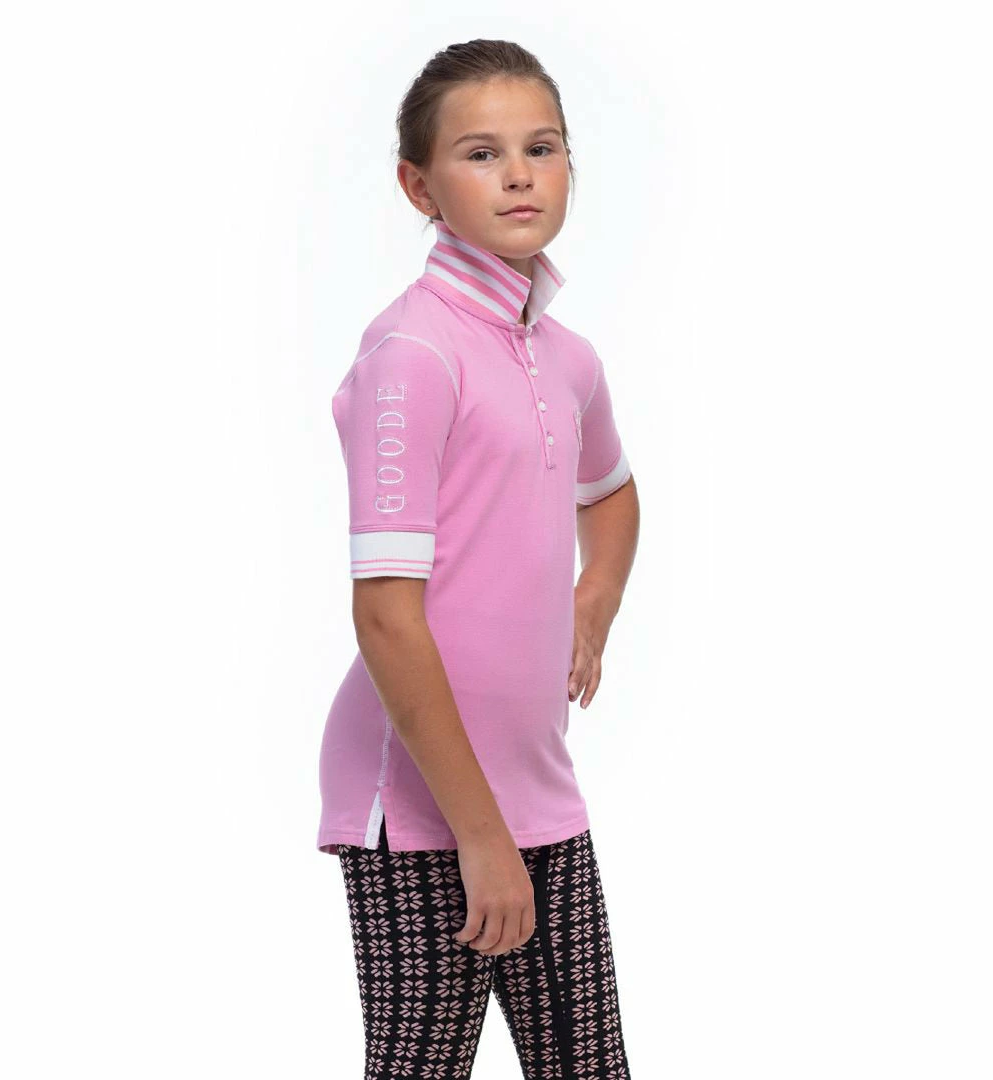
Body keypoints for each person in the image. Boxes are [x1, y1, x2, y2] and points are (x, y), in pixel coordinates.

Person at [316, 38, 640, 1080]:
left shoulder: (567, 356)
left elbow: (612, 492)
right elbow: (385, 616)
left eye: (541, 148)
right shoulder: (413, 355)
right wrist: (480, 837)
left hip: (539, 791)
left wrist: (594, 600)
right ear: (419, 186)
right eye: (481, 153)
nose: (518, 176)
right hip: (423, 813)